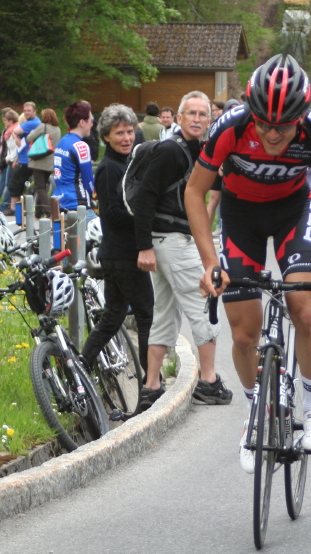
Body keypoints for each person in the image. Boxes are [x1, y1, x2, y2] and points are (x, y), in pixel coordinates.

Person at [186, 55, 311, 468]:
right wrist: (210, 263)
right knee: (244, 333)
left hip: (293, 212)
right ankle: (255, 414)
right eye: (264, 123)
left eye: (283, 126)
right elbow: (194, 191)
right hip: (241, 216)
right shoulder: (231, 127)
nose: (272, 134)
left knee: (305, 309)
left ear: (302, 116)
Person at [132, 91, 232, 411]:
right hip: (171, 242)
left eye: (203, 114)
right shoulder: (171, 151)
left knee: (165, 313)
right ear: (178, 118)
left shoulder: (196, 150)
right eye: (191, 114)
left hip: (169, 242)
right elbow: (146, 197)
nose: (198, 119)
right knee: (203, 303)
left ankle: (150, 386)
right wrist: (143, 246)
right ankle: (209, 380)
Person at [80, 105, 152, 382]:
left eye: (130, 131)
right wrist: (146, 219)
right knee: (146, 315)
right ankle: (151, 380)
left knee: (113, 315)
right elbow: (111, 214)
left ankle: (81, 368)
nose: (126, 137)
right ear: (106, 137)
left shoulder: (127, 162)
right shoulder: (109, 167)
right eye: (119, 133)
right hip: (123, 255)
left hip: (115, 253)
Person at [52, 101, 96, 220]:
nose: (92, 123)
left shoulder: (62, 141)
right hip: (78, 204)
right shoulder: (81, 146)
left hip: (60, 202)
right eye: (91, 119)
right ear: (82, 122)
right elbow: (89, 182)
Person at [28, 109, 61, 217]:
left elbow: (29, 138)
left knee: (40, 187)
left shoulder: (43, 127)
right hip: (50, 162)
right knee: (43, 187)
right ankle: (38, 212)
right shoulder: (57, 129)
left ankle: (49, 210)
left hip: (39, 161)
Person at [9, 102, 41, 209]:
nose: (26, 112)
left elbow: (15, 131)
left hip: (27, 160)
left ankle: (13, 208)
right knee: (19, 184)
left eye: (29, 110)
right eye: (25, 110)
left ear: (34, 111)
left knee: (15, 183)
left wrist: (15, 137)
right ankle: (18, 207)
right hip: (24, 158)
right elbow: (22, 142)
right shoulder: (31, 122)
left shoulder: (32, 123)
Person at [0, 108, 19, 213]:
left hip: (10, 160)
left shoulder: (14, 131)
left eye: (6, 120)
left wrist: (4, 161)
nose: (4, 122)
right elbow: (4, 148)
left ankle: (2, 206)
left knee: (6, 184)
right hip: (6, 159)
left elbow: (15, 149)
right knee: (0, 184)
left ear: (11, 120)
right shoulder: (7, 131)